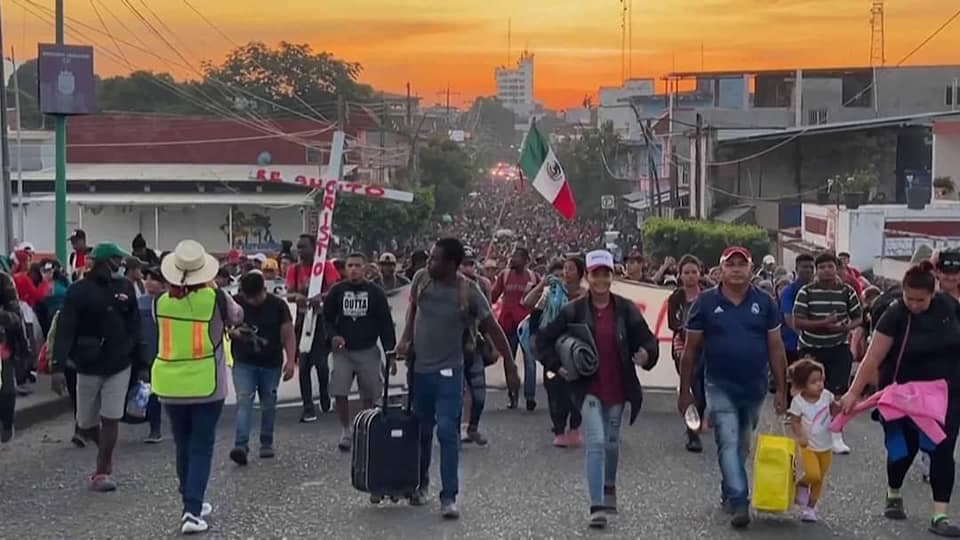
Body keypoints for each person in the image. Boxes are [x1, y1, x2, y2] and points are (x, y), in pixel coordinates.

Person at [536, 250, 659, 530]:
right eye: (595, 274)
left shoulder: (625, 309)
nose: (601, 279)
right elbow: (543, 340)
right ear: (588, 276)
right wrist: (558, 365)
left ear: (611, 277)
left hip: (617, 385)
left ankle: (609, 486)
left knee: (612, 443)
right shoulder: (573, 310)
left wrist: (644, 355)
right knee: (596, 441)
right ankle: (596, 506)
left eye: (605, 274)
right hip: (587, 387)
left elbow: (648, 341)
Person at [397, 238, 515, 519]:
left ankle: (449, 497)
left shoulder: (469, 291)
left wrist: (510, 364)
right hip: (420, 371)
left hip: (450, 372)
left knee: (448, 432)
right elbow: (413, 310)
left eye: (435, 259)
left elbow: (493, 327)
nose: (429, 263)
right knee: (422, 431)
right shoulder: (421, 279)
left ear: (451, 264)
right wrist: (405, 339)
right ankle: (420, 485)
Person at [840, 261, 960, 537]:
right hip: (902, 397)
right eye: (909, 298)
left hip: (946, 396)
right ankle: (894, 488)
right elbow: (873, 357)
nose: (915, 304)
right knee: (902, 452)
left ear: (933, 293)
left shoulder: (949, 308)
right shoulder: (894, 314)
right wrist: (852, 394)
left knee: (942, 451)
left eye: (921, 300)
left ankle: (939, 515)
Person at [678, 246, 787, 529]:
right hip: (718, 383)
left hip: (755, 385)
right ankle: (740, 499)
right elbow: (690, 351)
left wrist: (782, 390)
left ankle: (729, 488)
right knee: (726, 440)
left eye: (742, 264)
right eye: (731, 264)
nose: (737, 269)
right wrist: (685, 391)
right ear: (721, 269)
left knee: (741, 444)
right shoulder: (704, 303)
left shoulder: (765, 303)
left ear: (751, 269)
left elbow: (776, 347)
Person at [151, 240, 244, 534]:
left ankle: (190, 500)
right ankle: (192, 511)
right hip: (206, 383)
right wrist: (216, 291)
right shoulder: (215, 299)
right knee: (201, 446)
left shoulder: (159, 301)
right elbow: (237, 317)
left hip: (168, 381)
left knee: (182, 443)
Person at [51, 242, 142, 492]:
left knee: (111, 417)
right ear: (104, 261)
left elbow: (135, 324)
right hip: (87, 365)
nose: (120, 264)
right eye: (116, 259)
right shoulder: (78, 291)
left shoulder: (124, 287)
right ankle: (104, 447)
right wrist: (58, 366)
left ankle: (102, 470)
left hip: (119, 364)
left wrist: (140, 360)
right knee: (86, 424)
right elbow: (66, 327)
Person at [323, 253, 396, 452]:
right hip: (343, 351)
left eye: (357, 265)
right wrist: (333, 336)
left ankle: (366, 428)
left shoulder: (375, 292)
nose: (353, 269)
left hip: (368, 349)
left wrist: (391, 352)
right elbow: (327, 319)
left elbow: (385, 324)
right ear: (345, 269)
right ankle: (346, 430)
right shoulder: (337, 291)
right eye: (350, 265)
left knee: (371, 394)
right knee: (339, 391)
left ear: (366, 269)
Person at [792, 252, 862, 454]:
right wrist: (824, 323)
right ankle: (807, 432)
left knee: (836, 392)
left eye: (830, 266)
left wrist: (846, 326)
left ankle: (836, 434)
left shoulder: (846, 291)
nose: (826, 270)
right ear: (816, 270)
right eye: (821, 267)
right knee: (810, 392)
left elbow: (858, 317)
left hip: (838, 346)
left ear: (837, 268)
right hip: (811, 348)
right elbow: (798, 321)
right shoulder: (806, 292)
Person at [229, 271, 296, 465]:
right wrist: (234, 333)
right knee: (244, 401)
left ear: (264, 290)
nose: (252, 301)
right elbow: (225, 325)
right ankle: (241, 445)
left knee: (269, 402)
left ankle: (266, 441)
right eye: (248, 297)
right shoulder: (236, 303)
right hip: (244, 361)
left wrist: (290, 360)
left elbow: (288, 334)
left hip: (270, 362)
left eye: (256, 297)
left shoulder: (278, 306)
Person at [286, 233, 340, 422]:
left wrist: (322, 297)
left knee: (322, 365)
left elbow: (334, 289)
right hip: (303, 320)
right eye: (298, 247)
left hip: (321, 320)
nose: (299, 251)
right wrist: (297, 297)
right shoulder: (294, 269)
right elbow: (289, 293)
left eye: (303, 247)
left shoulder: (325, 267)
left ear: (314, 248)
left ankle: (325, 394)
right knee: (304, 365)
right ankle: (308, 406)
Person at [535, 256, 587, 448]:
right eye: (565, 269)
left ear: (580, 274)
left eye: (571, 269)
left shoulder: (587, 297)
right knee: (555, 388)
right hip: (553, 349)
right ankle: (558, 428)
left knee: (578, 389)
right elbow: (532, 308)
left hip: (578, 349)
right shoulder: (551, 292)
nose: (566, 272)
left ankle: (574, 427)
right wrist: (542, 284)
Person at [787, 357, 841, 523]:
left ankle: (810, 508)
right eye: (814, 382)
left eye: (821, 380)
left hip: (826, 445)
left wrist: (838, 409)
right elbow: (794, 421)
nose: (819, 385)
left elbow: (833, 410)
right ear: (802, 384)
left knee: (820, 479)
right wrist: (800, 435)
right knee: (813, 474)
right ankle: (801, 485)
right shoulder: (798, 402)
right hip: (808, 446)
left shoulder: (826, 396)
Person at [491, 247, 539, 410]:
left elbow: (541, 298)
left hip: (527, 325)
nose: (512, 260)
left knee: (530, 361)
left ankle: (530, 397)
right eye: (512, 257)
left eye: (516, 257)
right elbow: (492, 296)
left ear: (526, 260)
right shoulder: (504, 276)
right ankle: (513, 396)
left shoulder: (534, 277)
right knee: (509, 361)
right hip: (508, 325)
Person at [666, 254, 706, 453]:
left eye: (693, 272)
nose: (690, 276)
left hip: (705, 347)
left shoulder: (707, 295)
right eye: (686, 272)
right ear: (680, 275)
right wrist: (686, 330)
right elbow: (671, 323)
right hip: (683, 346)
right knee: (691, 390)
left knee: (703, 392)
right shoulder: (676, 297)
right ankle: (693, 434)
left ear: (700, 273)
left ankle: (700, 420)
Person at [458, 248, 493, 446]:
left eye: (470, 264)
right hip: (452, 350)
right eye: (464, 264)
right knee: (463, 393)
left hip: (475, 346)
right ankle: (460, 428)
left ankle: (473, 428)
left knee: (479, 394)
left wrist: (494, 346)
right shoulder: (445, 286)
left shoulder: (481, 286)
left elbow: (488, 319)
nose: (467, 267)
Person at [138, 266, 167, 444]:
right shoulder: (140, 302)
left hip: (165, 351)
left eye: (154, 279)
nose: (149, 282)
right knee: (151, 391)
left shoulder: (169, 302)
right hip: (146, 351)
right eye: (147, 278)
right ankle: (154, 428)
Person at [780, 254, 816, 368]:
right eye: (804, 267)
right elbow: (789, 318)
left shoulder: (817, 290)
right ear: (796, 269)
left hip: (815, 347)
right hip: (792, 346)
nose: (808, 270)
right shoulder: (788, 291)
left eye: (811, 267)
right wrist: (807, 340)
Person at [0, 269, 22, 443]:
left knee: (6, 390)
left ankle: (6, 424)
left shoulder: (3, 280)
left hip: (2, 345)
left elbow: (15, 316)